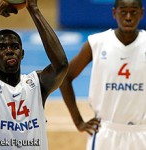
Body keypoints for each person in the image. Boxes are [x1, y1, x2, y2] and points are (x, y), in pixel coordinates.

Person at [60, 0, 146, 149]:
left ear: (141, 13)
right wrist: (78, 122)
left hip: (141, 133)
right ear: (114, 13)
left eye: (133, 11)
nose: (128, 17)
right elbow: (64, 78)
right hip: (105, 134)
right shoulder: (97, 43)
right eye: (123, 11)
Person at [0, 0, 68, 149]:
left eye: (14, 47)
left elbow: (61, 66)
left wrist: (34, 10)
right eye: (2, 47)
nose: (9, 50)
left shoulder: (36, 85)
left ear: (22, 54)